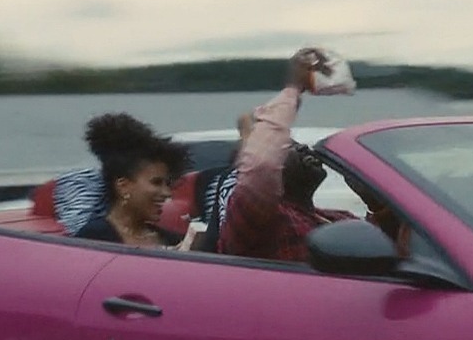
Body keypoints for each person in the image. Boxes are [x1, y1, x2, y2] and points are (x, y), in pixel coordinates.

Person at [218, 48, 394, 262]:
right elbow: (261, 166)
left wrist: (378, 204)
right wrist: (294, 88)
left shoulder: (339, 218)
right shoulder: (258, 222)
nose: (303, 148)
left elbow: (391, 255)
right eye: (287, 147)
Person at [75, 113, 192, 248]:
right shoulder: (94, 238)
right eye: (156, 182)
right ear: (123, 186)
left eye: (168, 184)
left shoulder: (172, 240)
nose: (167, 193)